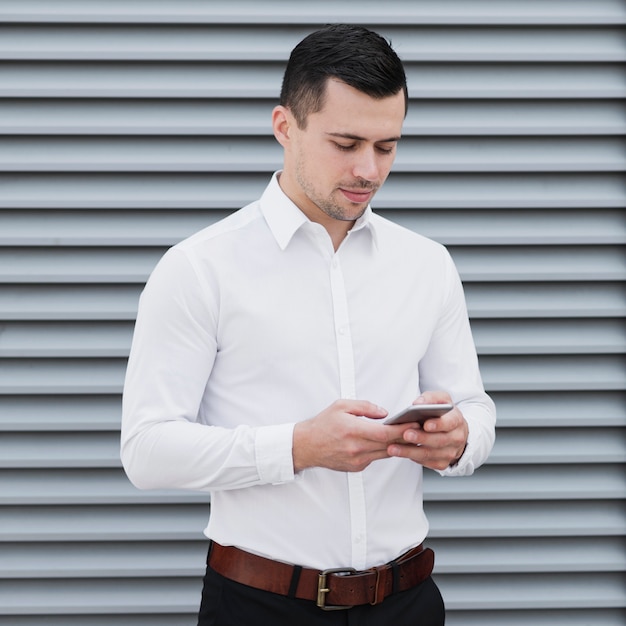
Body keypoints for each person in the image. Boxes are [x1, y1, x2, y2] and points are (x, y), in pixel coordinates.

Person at [121, 23, 496, 626]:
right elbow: (147, 450)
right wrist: (299, 447)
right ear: (284, 127)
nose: (368, 170)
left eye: (387, 146)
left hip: (408, 604)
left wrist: (458, 441)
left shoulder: (428, 264)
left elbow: (476, 410)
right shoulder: (199, 268)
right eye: (346, 143)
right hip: (258, 606)